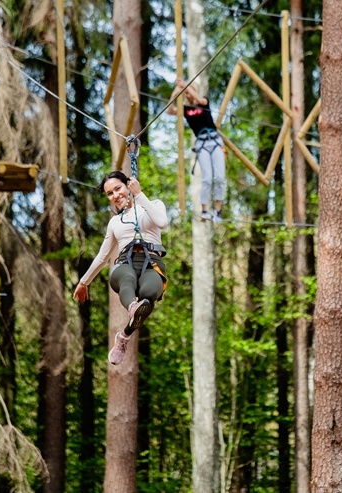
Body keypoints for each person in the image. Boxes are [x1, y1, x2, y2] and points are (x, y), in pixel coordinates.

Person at [73, 170, 168, 365]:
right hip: (124, 264)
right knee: (128, 279)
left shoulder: (154, 205)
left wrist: (140, 195)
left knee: (149, 294)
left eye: (118, 189)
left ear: (128, 185)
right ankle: (132, 307)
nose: (115, 195)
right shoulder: (115, 222)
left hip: (152, 263)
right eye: (110, 193)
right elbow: (102, 256)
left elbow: (163, 223)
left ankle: (123, 337)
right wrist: (84, 282)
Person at [167, 78, 226, 224]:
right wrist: (176, 92)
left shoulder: (203, 101)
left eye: (188, 92)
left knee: (219, 178)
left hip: (215, 140)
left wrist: (185, 86)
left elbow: (199, 98)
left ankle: (218, 210)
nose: (187, 95)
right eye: (185, 94)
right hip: (202, 144)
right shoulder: (186, 110)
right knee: (207, 178)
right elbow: (170, 110)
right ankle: (205, 210)